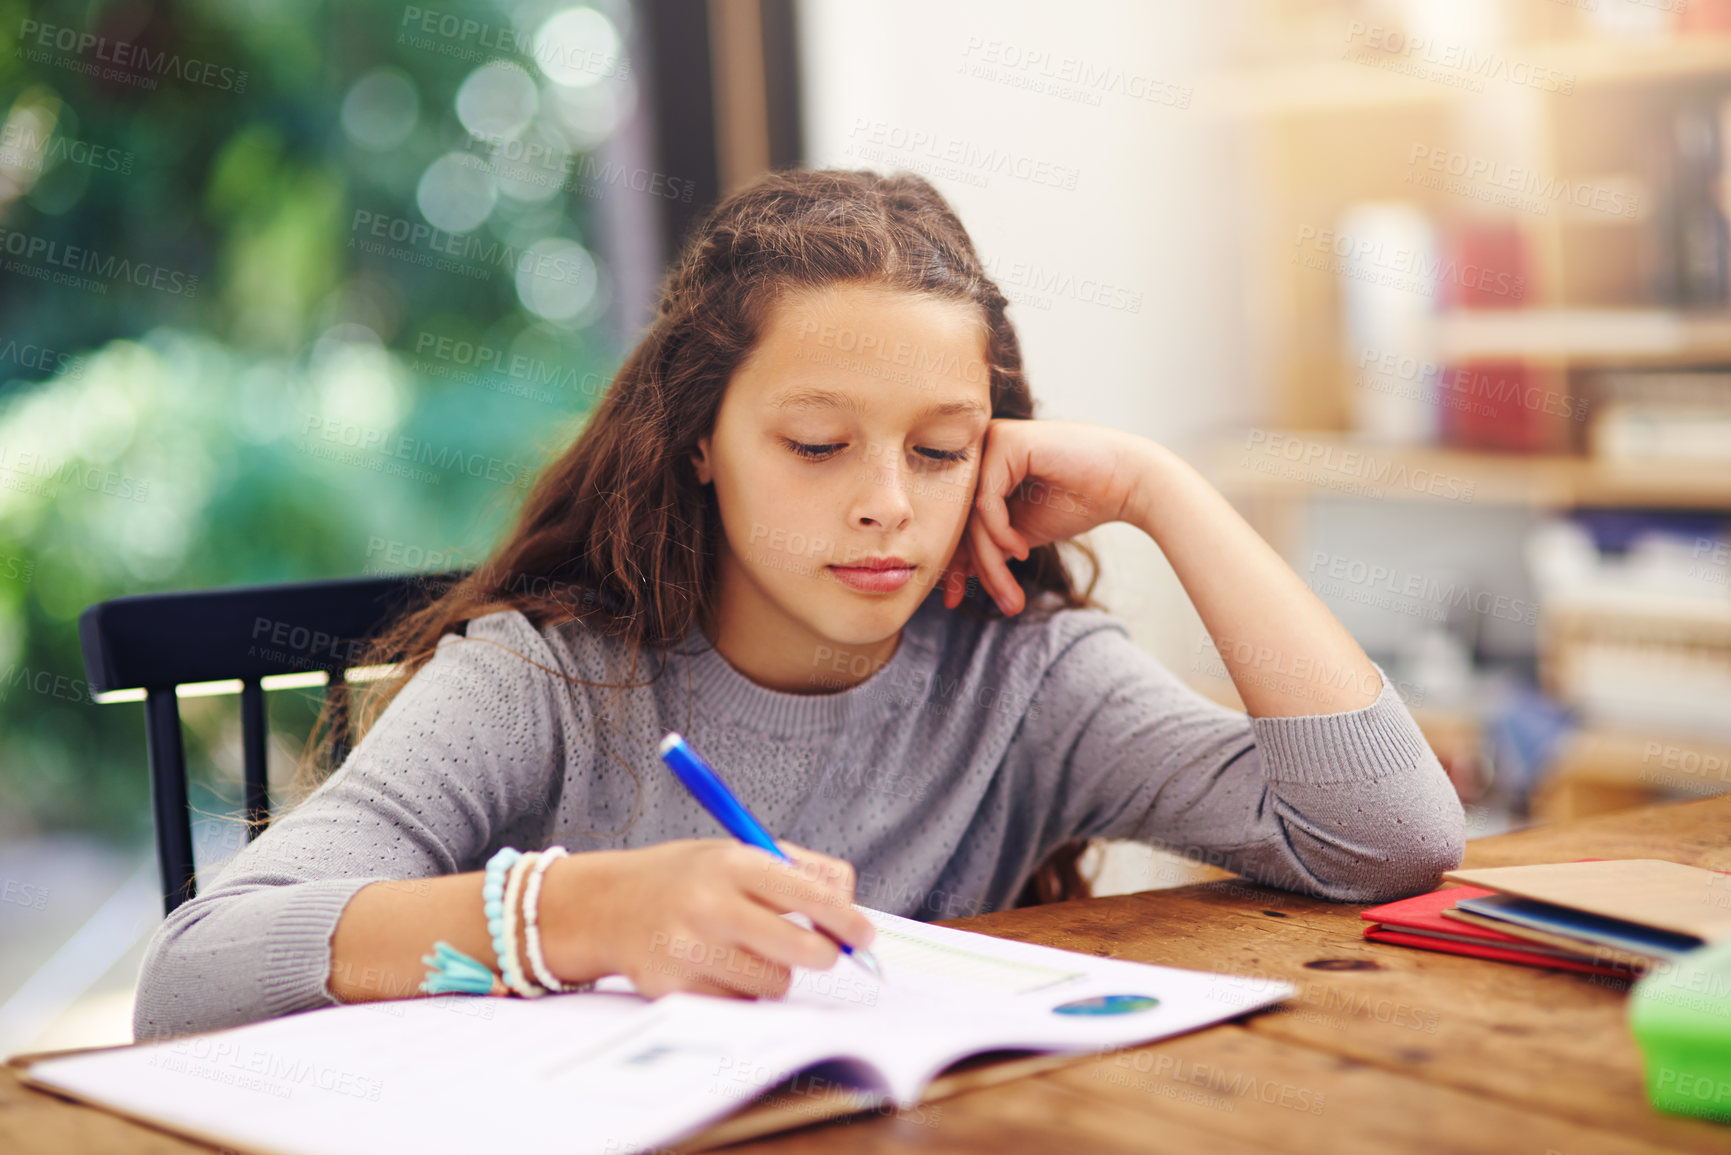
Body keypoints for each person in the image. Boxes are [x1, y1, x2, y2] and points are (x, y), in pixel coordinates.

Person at [133, 168, 1463, 1040]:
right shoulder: (551, 682)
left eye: (941, 451)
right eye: (819, 446)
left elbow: (1386, 836)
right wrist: (581, 915)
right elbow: (193, 977)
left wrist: (1164, 492)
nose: (887, 501)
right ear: (701, 439)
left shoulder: (1024, 682)